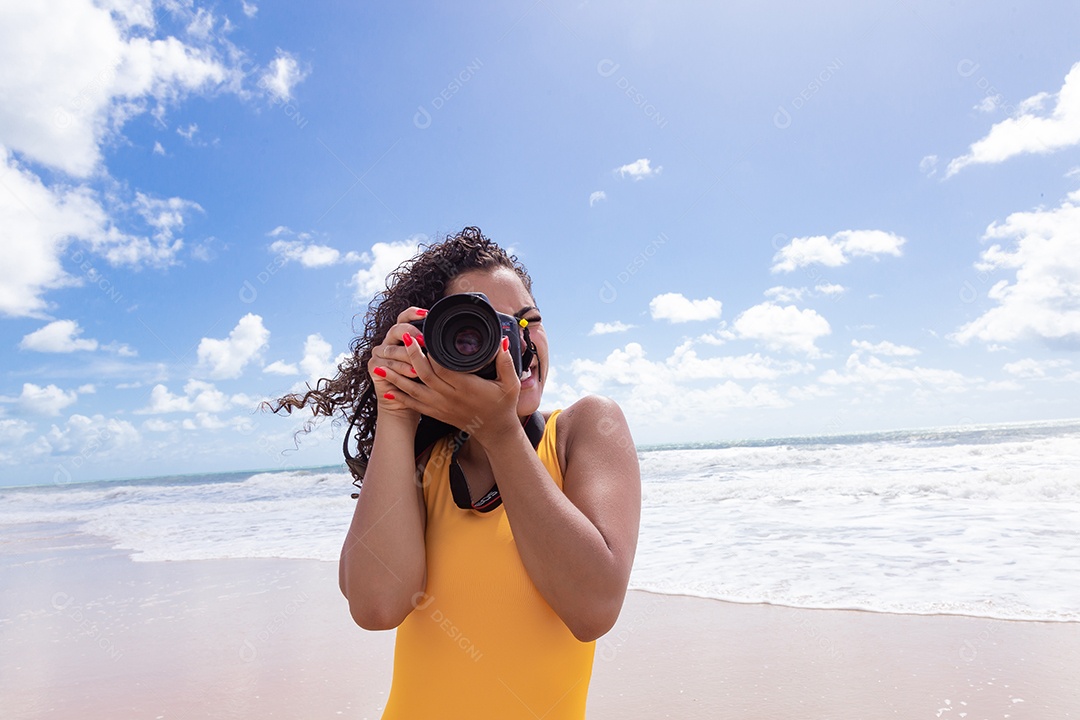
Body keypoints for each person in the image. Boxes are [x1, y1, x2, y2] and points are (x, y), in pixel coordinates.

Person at [270, 226, 640, 718]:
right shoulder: (426, 465)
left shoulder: (584, 429)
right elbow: (376, 607)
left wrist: (502, 432)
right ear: (435, 344)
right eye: (482, 328)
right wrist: (397, 413)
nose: (518, 343)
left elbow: (593, 608)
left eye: (529, 321)